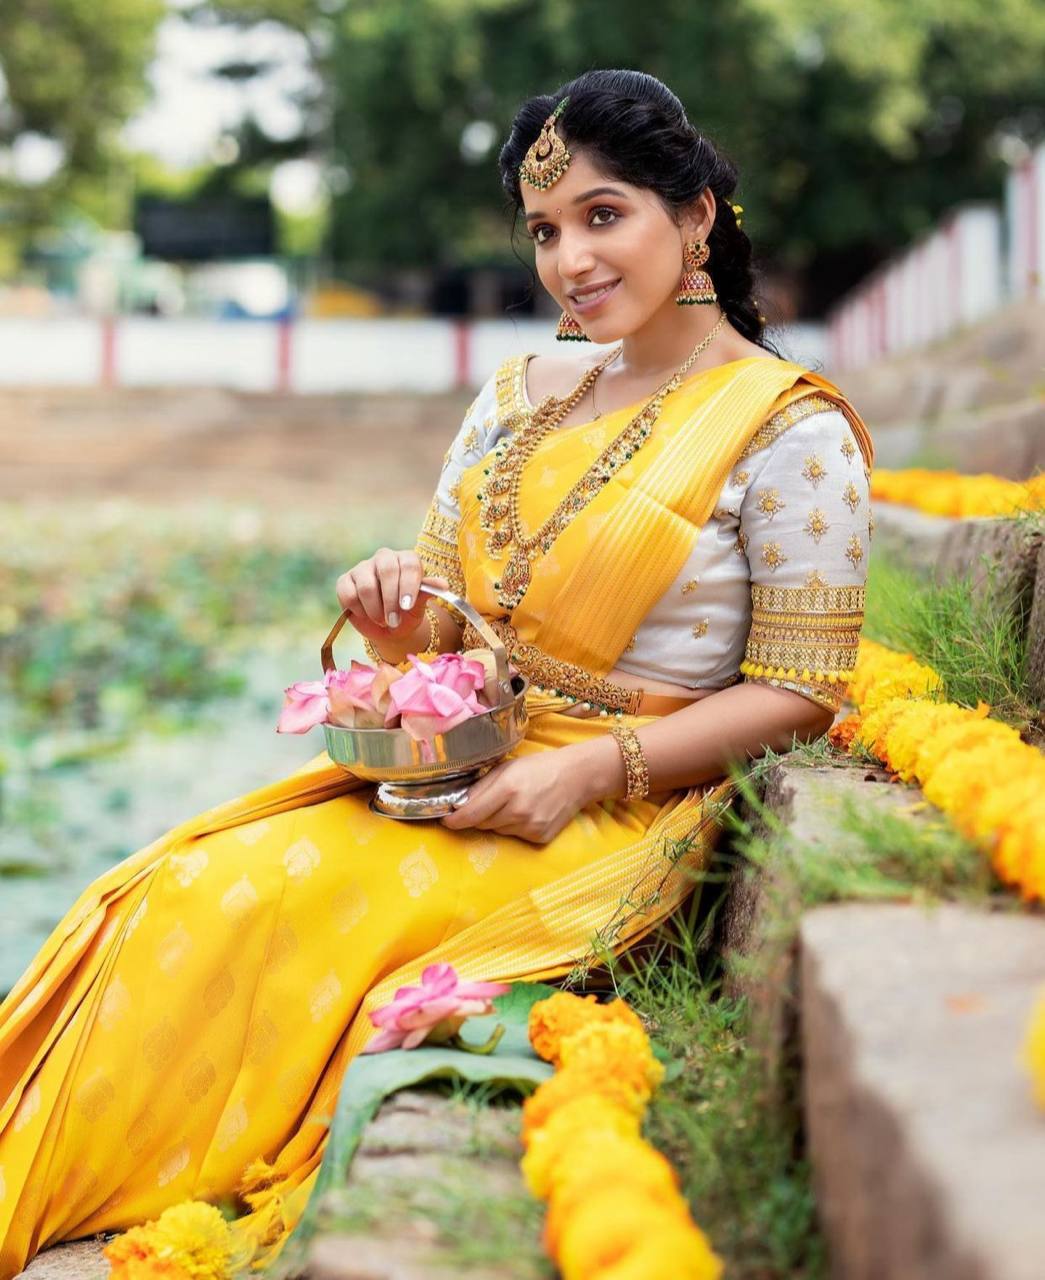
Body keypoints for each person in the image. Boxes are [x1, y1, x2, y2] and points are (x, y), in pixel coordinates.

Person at [0, 68, 873, 1275]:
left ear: (699, 216)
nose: (570, 259)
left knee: (241, 908)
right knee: (163, 888)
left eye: (603, 215)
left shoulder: (789, 429)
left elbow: (800, 691)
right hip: (465, 768)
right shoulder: (516, 395)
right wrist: (398, 630)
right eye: (545, 230)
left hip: (612, 809)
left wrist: (592, 773)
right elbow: (445, 634)